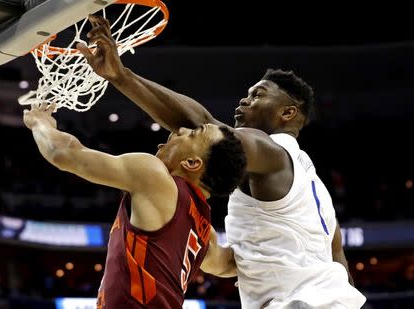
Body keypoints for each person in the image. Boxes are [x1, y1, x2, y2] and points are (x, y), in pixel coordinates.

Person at [76, 14, 367, 308]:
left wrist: (121, 76)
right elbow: (340, 267)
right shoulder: (317, 190)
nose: (244, 100)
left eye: (258, 95)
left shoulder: (273, 150)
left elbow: (202, 124)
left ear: (287, 114)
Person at [23, 102, 247, 308]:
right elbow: (227, 264)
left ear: (191, 163)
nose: (179, 130)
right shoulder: (204, 231)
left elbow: (65, 153)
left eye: (194, 133)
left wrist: (40, 123)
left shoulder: (155, 176)